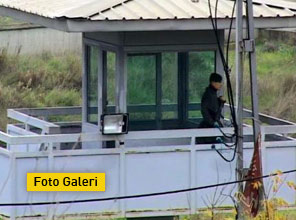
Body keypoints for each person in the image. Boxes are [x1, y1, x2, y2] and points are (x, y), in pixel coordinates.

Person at [197, 73, 226, 144]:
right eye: (219, 82)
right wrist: (212, 123)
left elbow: (214, 108)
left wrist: (220, 101)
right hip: (209, 127)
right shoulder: (208, 94)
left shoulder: (212, 94)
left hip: (212, 125)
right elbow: (205, 110)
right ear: (213, 83)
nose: (220, 84)